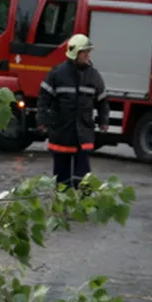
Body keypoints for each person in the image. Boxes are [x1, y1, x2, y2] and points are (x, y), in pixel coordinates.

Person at [36, 34, 109, 191]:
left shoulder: (94, 76)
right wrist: (42, 120)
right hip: (62, 132)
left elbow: (102, 101)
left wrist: (104, 121)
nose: (88, 55)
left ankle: (82, 208)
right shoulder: (57, 74)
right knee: (62, 179)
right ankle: (62, 208)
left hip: (83, 133)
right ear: (75, 53)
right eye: (85, 52)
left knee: (83, 178)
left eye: (88, 52)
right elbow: (43, 98)